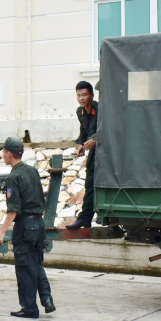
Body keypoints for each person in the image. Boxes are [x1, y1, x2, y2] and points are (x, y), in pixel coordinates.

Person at [0, 137, 56, 319]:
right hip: (39, 224)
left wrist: (2, 230)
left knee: (24, 268)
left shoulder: (13, 176)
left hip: (25, 226)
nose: (2, 155)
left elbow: (13, 209)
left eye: (3, 152)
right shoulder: (32, 171)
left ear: (9, 154)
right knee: (35, 264)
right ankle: (47, 299)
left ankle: (29, 308)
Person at [66, 80, 98, 229]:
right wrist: (81, 145)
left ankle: (112, 220)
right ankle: (85, 218)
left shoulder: (101, 109)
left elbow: (110, 129)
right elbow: (84, 132)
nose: (81, 98)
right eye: (79, 95)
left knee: (108, 186)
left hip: (108, 155)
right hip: (94, 155)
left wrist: (96, 139)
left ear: (92, 94)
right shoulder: (80, 112)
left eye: (84, 95)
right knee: (90, 185)